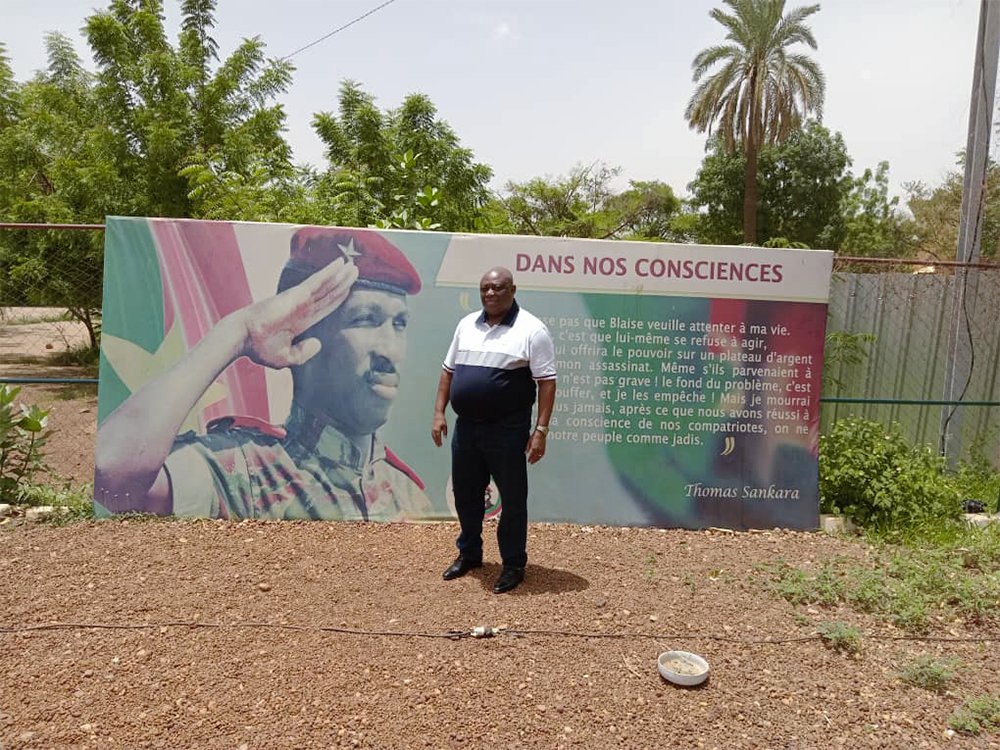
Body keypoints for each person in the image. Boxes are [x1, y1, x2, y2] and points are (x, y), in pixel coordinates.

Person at [95, 226, 432, 521]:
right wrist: (241, 330)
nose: (391, 351)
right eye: (365, 319)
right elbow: (113, 475)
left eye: (399, 324)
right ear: (304, 334)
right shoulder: (241, 469)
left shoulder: (407, 493)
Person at [431, 267, 557, 594]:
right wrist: (438, 413)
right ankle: (470, 554)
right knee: (466, 495)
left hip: (507, 430)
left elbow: (547, 383)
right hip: (466, 428)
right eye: (485, 287)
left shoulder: (533, 330)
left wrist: (540, 429)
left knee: (513, 500)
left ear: (512, 290)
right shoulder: (466, 325)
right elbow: (448, 372)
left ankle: (513, 563)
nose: (490, 293)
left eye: (498, 288)